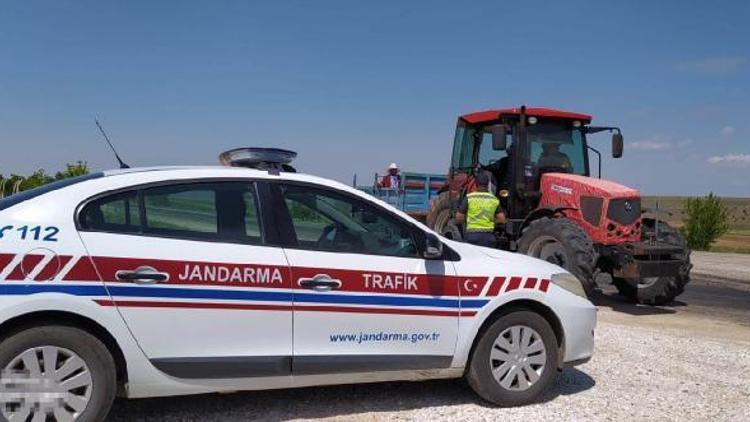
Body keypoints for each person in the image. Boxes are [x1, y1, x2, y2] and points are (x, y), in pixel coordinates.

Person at [455, 171, 506, 247]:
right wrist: (491, 221)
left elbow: (459, 218)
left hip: (472, 236)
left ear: (475, 184)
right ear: (488, 184)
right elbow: (502, 220)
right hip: (489, 237)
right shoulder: (494, 199)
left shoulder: (469, 197)